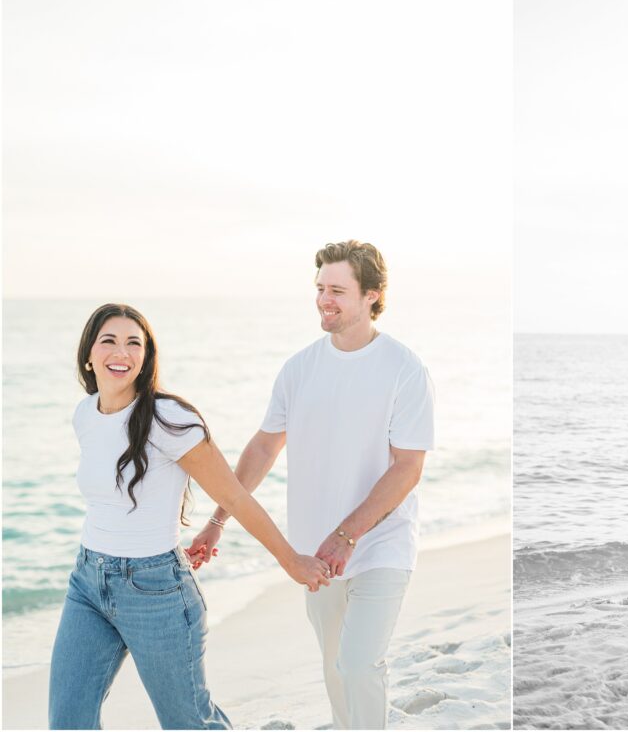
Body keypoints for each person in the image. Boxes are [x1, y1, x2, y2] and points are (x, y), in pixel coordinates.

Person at [188, 240, 435, 730]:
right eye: (320, 288)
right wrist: (217, 521)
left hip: (380, 542)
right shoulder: (299, 369)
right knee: (333, 668)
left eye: (338, 290)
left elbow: (407, 467)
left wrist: (347, 534)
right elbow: (262, 450)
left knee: (359, 664)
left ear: (372, 295)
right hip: (312, 553)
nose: (325, 299)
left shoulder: (404, 369)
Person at [49, 304, 331, 730]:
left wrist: (290, 560)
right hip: (87, 583)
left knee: (189, 723)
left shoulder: (170, 419)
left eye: (134, 343)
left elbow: (234, 497)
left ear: (146, 359)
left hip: (156, 592)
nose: (120, 352)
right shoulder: (85, 415)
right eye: (108, 340)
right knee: (68, 720)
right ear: (89, 354)